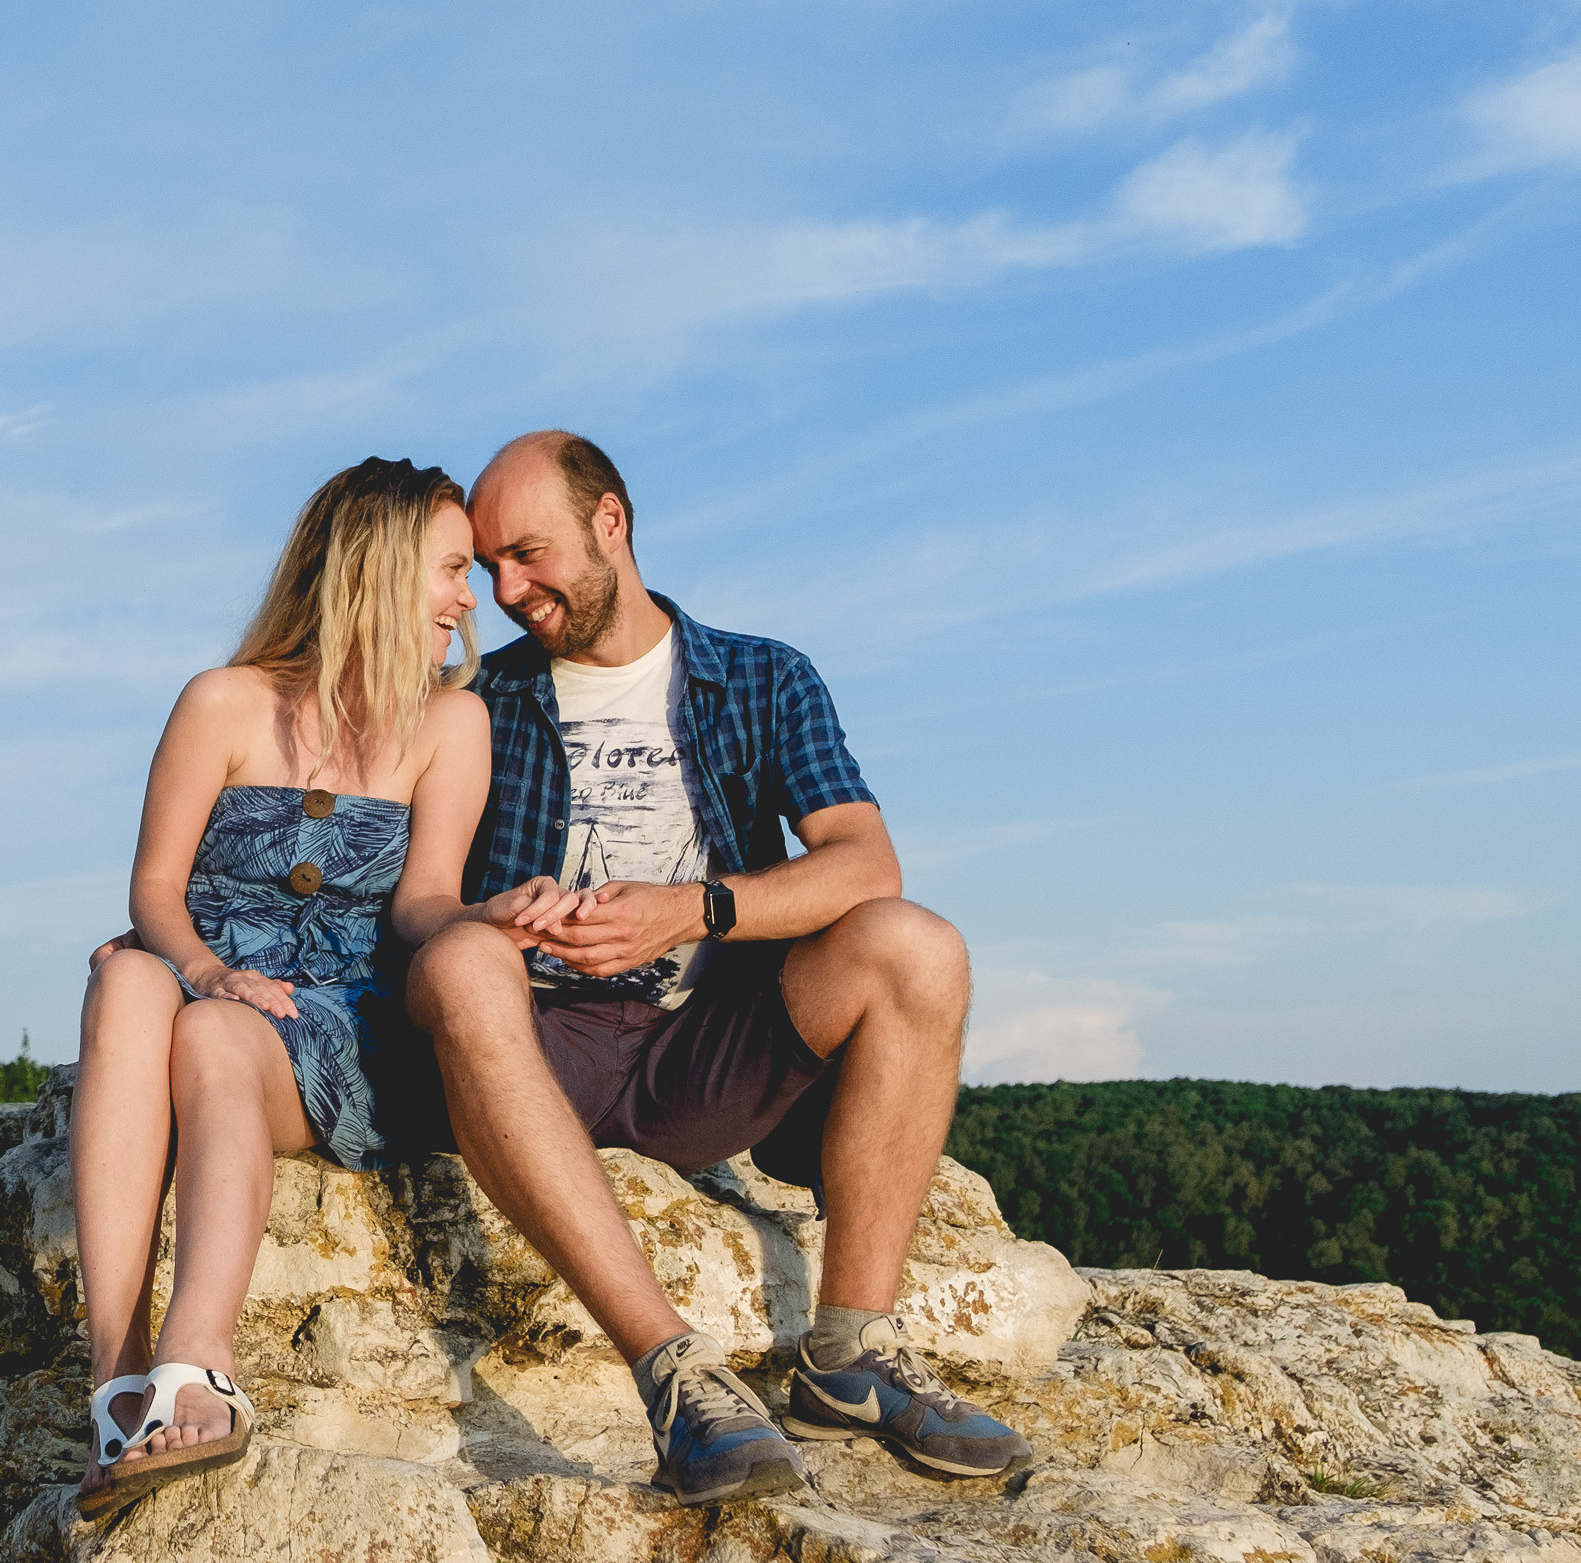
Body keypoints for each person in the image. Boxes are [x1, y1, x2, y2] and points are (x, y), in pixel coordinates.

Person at [402, 430, 1033, 1506]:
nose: (506, 588)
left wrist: (690, 911)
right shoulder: (478, 702)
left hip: (702, 1048)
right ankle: (678, 1373)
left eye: (529, 552)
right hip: (530, 1046)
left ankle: (849, 1353)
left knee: (919, 945)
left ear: (612, 523)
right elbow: (417, 910)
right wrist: (497, 917)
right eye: (490, 563)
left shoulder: (762, 674)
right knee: (460, 960)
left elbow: (864, 862)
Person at [67, 456, 590, 1516]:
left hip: (336, 1018)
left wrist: (487, 915)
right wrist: (205, 966)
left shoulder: (451, 723)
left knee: (214, 1038)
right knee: (129, 981)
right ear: (373, 565)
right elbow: (156, 888)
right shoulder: (222, 701)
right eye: (448, 567)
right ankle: (116, 1379)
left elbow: (421, 903)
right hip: (202, 971)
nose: (465, 596)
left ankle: (199, 1360)